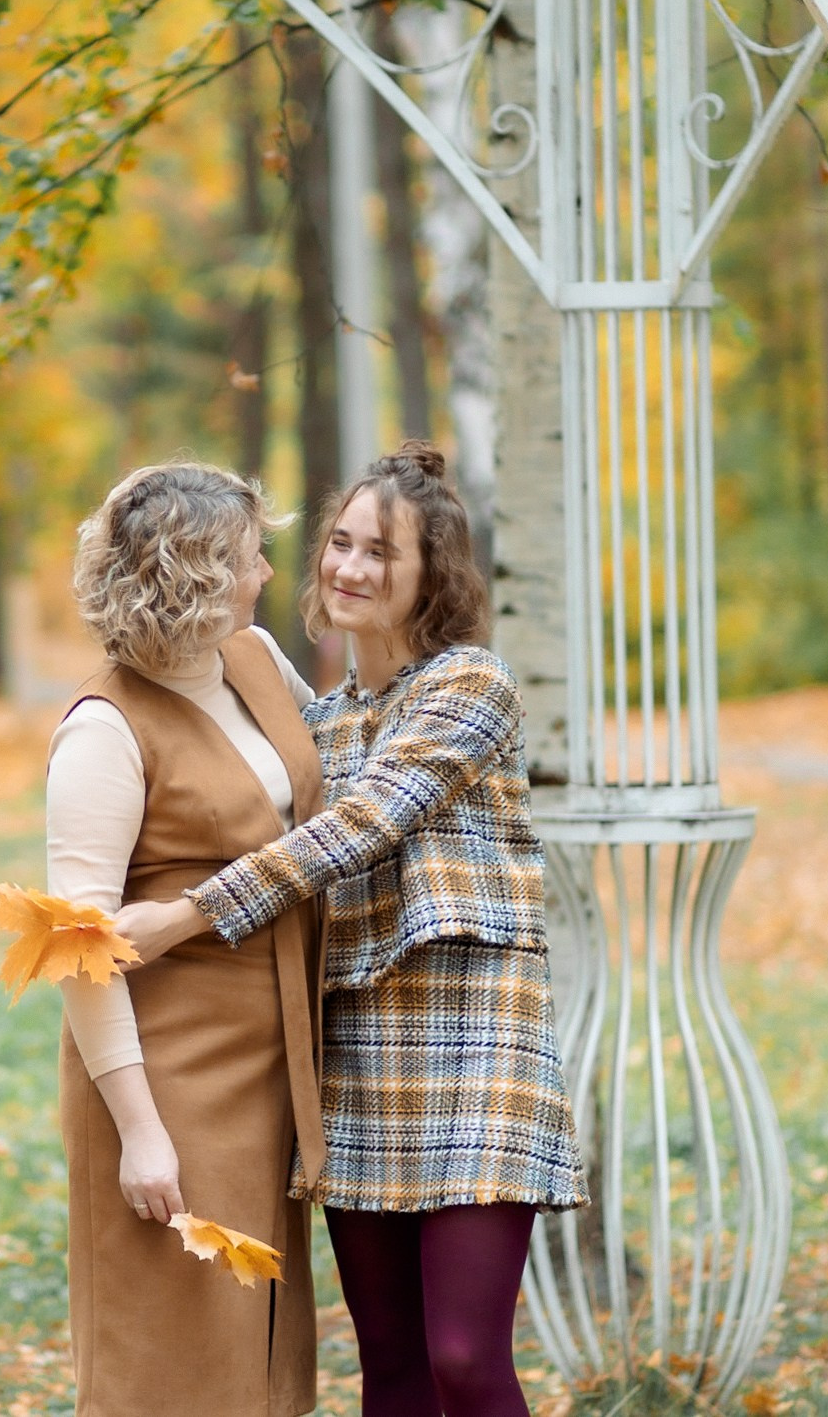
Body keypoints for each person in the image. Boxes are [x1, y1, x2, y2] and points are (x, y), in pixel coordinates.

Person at [116, 441, 582, 1417]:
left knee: (461, 1354)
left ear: (430, 576)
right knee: (392, 1370)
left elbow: (359, 826)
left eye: (381, 552)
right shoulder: (319, 720)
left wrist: (183, 918)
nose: (349, 568)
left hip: (476, 1048)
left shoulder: (469, 688)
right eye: (339, 542)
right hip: (357, 1058)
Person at [45, 461, 325, 1417]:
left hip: (267, 1069)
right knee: (170, 1358)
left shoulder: (251, 661)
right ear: (199, 572)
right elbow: (76, 949)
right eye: (252, 557)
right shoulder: (105, 728)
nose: (265, 575)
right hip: (165, 1077)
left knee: (259, 1354)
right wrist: (141, 1134)